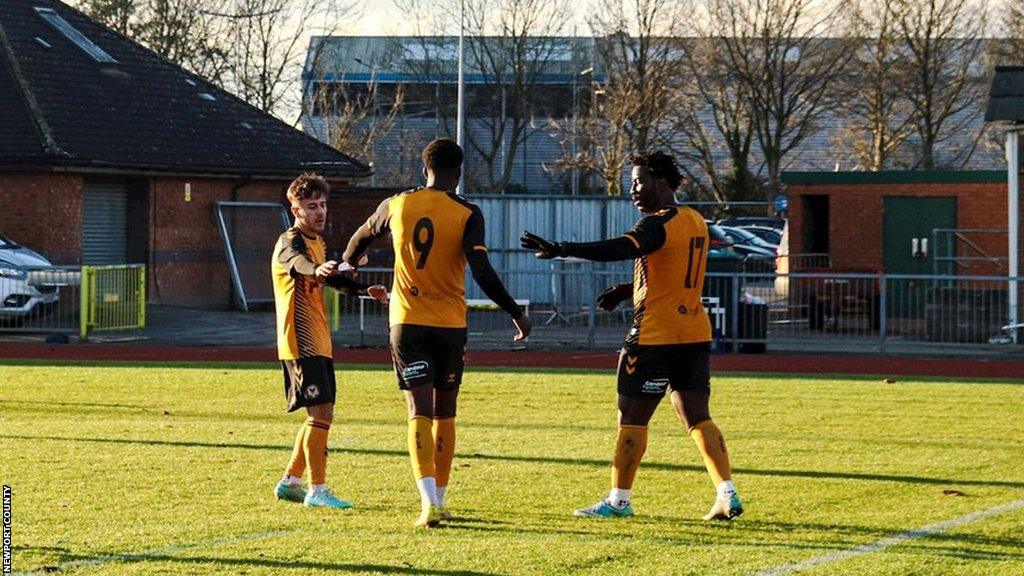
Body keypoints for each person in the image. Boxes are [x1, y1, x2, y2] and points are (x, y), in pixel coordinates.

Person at [520, 151, 743, 521]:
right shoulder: (695, 219)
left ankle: (619, 501)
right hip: (694, 333)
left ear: (661, 180)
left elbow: (621, 247)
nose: (633, 190)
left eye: (639, 181)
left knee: (632, 419)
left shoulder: (656, 224)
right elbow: (672, 271)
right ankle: (727, 493)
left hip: (655, 336)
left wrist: (563, 249)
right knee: (697, 416)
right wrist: (628, 289)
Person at [343, 138, 531, 528]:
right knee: (446, 412)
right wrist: (514, 311)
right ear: (458, 173)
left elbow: (360, 237)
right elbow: (481, 271)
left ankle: (427, 502)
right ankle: (441, 498)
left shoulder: (396, 204)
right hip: (450, 325)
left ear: (422, 168)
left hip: (407, 322)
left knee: (418, 411)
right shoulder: (467, 212)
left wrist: (348, 265)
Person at [272, 172, 388, 509]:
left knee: (320, 415)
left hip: (319, 340)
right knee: (321, 413)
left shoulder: (319, 243)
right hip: (301, 341)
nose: (320, 211)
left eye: (323, 204)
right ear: (296, 211)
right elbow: (298, 264)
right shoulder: (289, 241)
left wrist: (364, 289)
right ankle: (317, 490)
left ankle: (291, 481)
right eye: (311, 206)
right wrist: (316, 269)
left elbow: (328, 278)